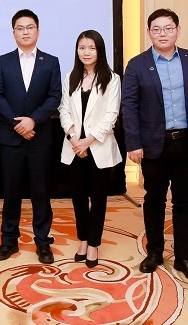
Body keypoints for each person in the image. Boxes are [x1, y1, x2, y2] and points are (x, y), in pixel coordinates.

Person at [121, 8, 188, 283]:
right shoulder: (137, 65)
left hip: (187, 143)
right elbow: (129, 106)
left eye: (168, 28)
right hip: (153, 145)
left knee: (185, 202)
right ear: (149, 33)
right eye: (157, 29)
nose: (163, 33)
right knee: (154, 200)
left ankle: (184, 258)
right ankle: (155, 252)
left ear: (178, 30)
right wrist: (133, 142)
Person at [0, 9, 62, 264]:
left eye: (29, 27)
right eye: (20, 28)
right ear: (13, 33)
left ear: (38, 31)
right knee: (11, 192)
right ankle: (9, 240)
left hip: (39, 137)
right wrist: (17, 124)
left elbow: (54, 96)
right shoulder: (2, 61)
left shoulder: (51, 61)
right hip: (10, 139)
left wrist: (33, 120)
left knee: (40, 192)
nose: (25, 32)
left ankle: (42, 242)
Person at [58, 30, 122, 268]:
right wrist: (74, 138)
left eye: (91, 48)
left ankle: (94, 243)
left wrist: (87, 141)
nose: (86, 52)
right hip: (74, 147)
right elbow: (63, 109)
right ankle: (83, 239)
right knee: (78, 198)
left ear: (99, 50)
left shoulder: (111, 79)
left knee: (98, 198)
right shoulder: (71, 76)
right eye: (82, 48)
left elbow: (111, 115)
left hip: (98, 147)